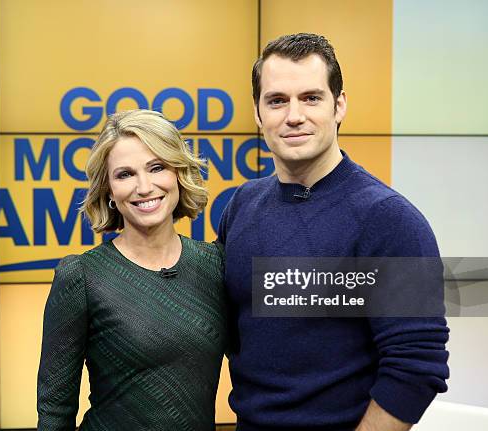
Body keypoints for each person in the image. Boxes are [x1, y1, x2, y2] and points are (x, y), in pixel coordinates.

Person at [217, 33, 449, 431]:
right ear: (257, 113)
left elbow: (416, 368)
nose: (293, 116)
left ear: (339, 105)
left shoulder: (391, 220)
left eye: (311, 98)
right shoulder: (242, 205)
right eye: (276, 101)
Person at [37, 109, 227, 430]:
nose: (144, 186)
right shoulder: (82, 276)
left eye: (157, 167)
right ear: (109, 190)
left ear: (178, 173)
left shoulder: (216, 265)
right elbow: (55, 411)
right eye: (125, 174)